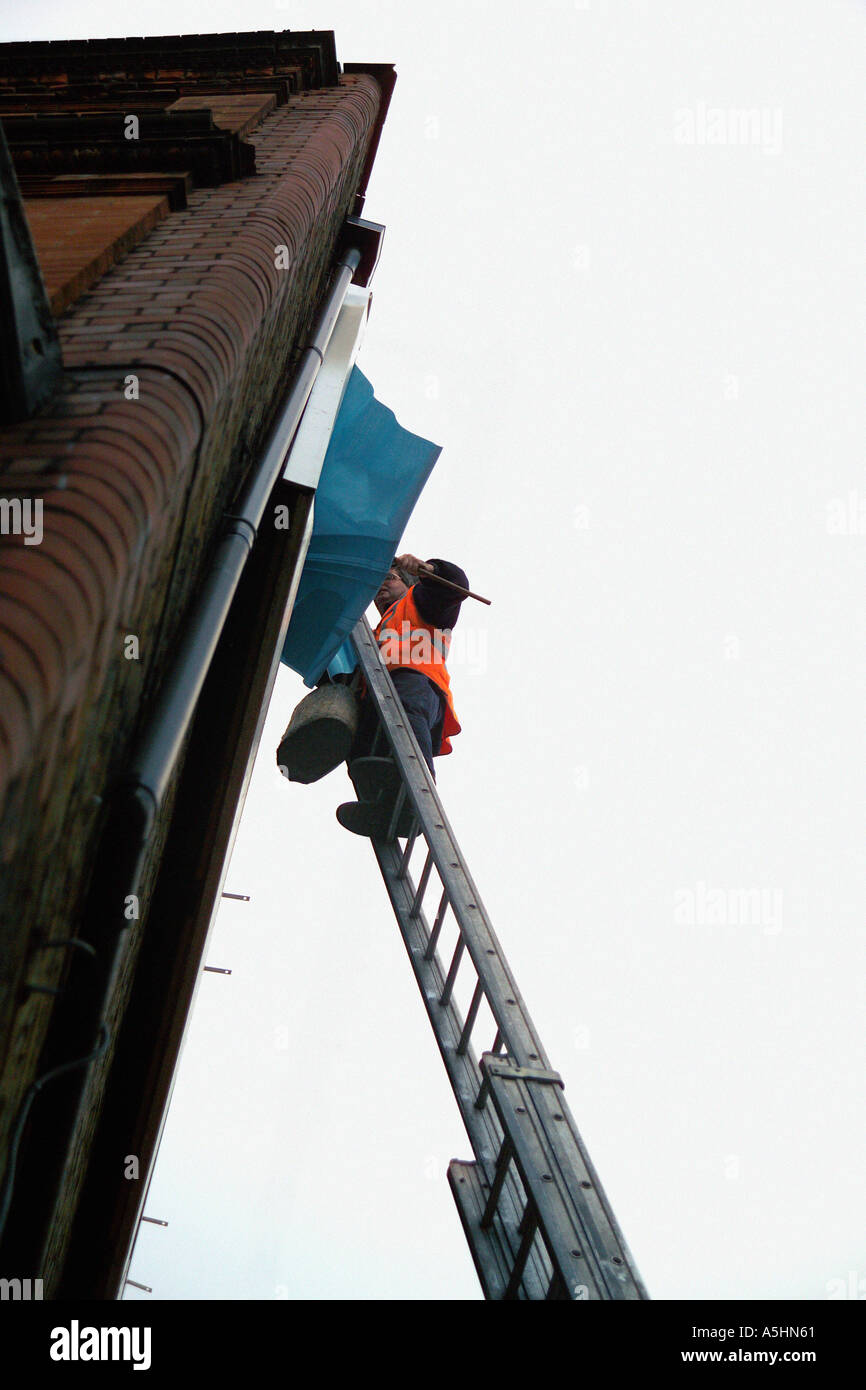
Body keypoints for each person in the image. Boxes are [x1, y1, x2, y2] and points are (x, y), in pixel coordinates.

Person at [336, 552, 469, 837]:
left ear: (409, 583)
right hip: (378, 694)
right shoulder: (373, 631)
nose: (380, 587)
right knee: (360, 744)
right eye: (376, 586)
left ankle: (417, 797)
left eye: (389, 578)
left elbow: (455, 585)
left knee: (406, 712)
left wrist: (428, 569)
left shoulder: (422, 601)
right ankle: (379, 807)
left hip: (416, 682)